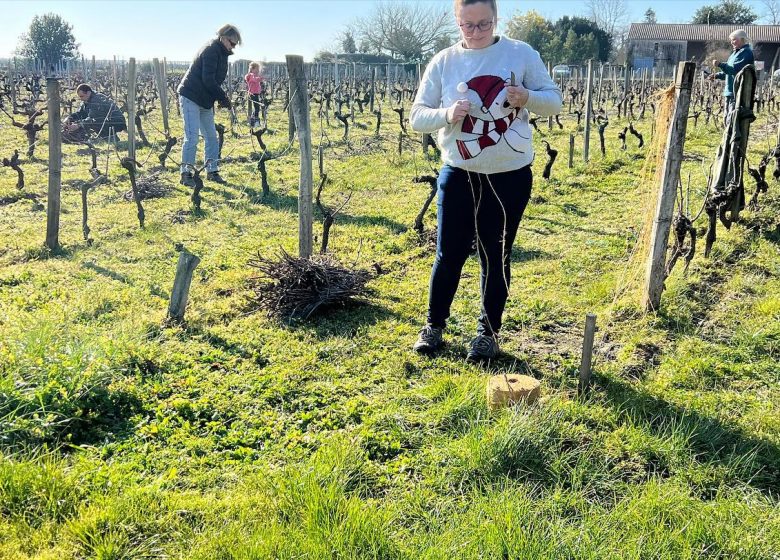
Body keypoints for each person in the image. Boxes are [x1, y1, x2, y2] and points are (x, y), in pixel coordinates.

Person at [409, 0, 561, 361]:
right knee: (448, 253)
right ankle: (434, 326)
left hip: (509, 177)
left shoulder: (521, 54)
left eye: (483, 24)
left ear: (496, 19)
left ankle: (488, 334)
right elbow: (417, 116)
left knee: (496, 254)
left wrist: (527, 97)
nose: (476, 33)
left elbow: (554, 101)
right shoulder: (444, 61)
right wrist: (446, 113)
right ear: (456, 22)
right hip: (459, 173)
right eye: (468, 25)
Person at [178, 24, 241, 186]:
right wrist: (222, 97)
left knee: (212, 137)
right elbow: (208, 79)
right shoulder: (211, 50)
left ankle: (212, 171)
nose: (233, 46)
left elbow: (214, 80)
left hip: (205, 100)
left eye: (235, 44)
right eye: (231, 42)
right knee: (192, 137)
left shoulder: (222, 52)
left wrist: (219, 98)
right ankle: (186, 174)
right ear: (222, 37)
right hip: (191, 96)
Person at [710, 29, 754, 122]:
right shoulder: (735, 53)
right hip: (729, 91)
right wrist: (717, 75)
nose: (732, 42)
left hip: (736, 91)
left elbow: (734, 70)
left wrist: (720, 64)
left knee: (731, 121)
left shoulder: (746, 52)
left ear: (742, 39)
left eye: (734, 39)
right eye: (731, 40)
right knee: (727, 119)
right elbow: (728, 72)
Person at [245, 61, 264, 128]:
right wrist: (260, 78)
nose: (258, 70)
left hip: (255, 93)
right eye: (257, 69)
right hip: (253, 93)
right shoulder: (251, 75)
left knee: (256, 108)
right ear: (252, 69)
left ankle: (253, 122)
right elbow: (254, 80)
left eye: (258, 69)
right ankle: (255, 121)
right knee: (257, 108)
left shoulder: (253, 75)